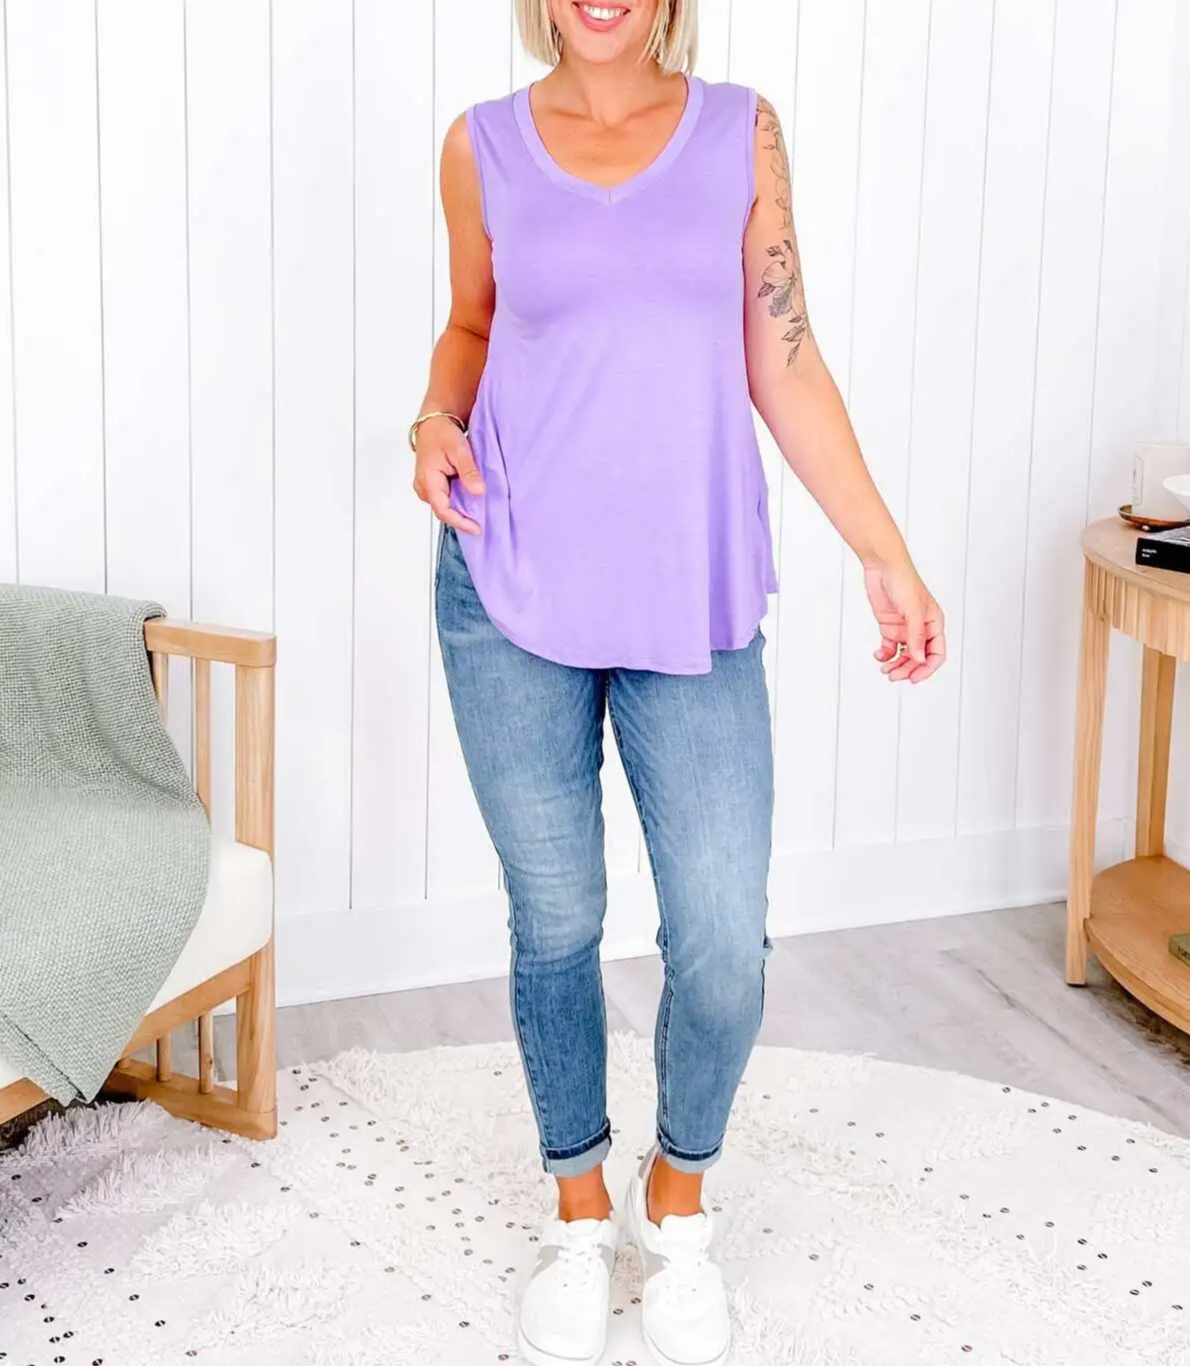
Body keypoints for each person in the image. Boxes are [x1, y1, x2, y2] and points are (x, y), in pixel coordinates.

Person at [411, 2, 946, 1363]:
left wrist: (883, 553)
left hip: (690, 593)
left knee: (719, 936)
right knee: (556, 920)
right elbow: (471, 324)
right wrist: (433, 419)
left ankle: (678, 1202)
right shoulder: (479, 146)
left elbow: (785, 357)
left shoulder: (740, 133)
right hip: (507, 580)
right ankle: (578, 1211)